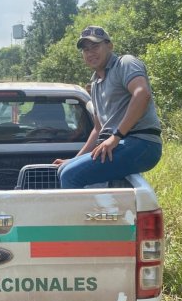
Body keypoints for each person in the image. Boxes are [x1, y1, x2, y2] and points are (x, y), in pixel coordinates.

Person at [54, 26, 162, 188]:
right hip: (121, 144)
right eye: (85, 49)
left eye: (95, 46)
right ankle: (93, 212)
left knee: (71, 175)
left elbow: (142, 94)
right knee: (64, 169)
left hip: (142, 143)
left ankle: (75, 214)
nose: (90, 53)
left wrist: (116, 136)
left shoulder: (125, 63)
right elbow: (98, 128)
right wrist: (75, 159)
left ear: (109, 46)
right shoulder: (96, 83)